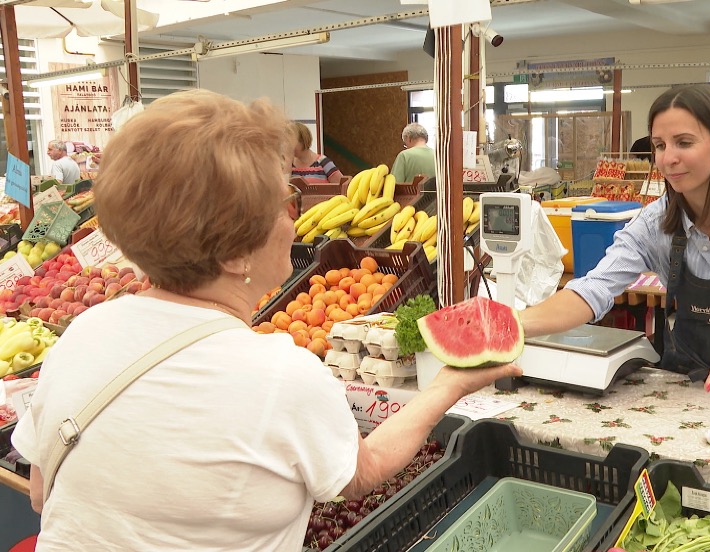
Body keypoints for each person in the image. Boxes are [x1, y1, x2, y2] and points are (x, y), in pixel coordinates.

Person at [11, 90, 519, 550]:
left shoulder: (82, 334)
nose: (296, 219)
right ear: (236, 256)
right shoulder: (280, 373)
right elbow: (359, 476)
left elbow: (41, 495)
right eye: (286, 201)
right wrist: (448, 385)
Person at [519, 83, 710, 392]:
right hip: (685, 383)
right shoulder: (654, 224)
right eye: (660, 145)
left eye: (684, 143)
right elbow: (595, 287)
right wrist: (515, 323)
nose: (668, 158)